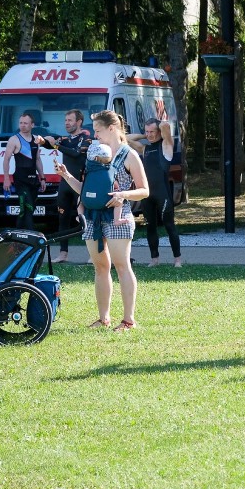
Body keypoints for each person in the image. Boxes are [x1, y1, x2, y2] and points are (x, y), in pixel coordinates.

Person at [55, 110, 149, 332]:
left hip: (119, 218)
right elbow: (86, 191)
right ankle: (103, 318)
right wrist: (67, 176)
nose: (95, 135)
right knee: (100, 268)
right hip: (93, 218)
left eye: (98, 131)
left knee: (122, 267)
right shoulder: (93, 154)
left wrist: (123, 195)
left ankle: (128, 320)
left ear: (111, 128)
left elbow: (144, 190)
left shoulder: (129, 155)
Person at [128, 119, 182, 267]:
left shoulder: (166, 145)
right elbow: (126, 138)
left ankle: (177, 260)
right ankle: (154, 259)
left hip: (162, 193)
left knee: (169, 225)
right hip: (147, 194)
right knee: (150, 226)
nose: (149, 134)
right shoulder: (145, 149)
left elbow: (165, 126)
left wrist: (159, 128)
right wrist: (144, 136)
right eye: (147, 131)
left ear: (158, 132)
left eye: (152, 132)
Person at [43, 109, 91, 262]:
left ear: (79, 122)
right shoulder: (64, 139)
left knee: (85, 219)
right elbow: (49, 144)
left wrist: (55, 146)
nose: (67, 123)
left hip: (79, 184)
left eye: (70, 120)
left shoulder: (86, 138)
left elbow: (76, 153)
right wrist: (43, 141)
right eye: (65, 121)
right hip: (65, 184)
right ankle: (63, 254)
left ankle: (93, 254)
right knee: (62, 219)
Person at [2, 112, 46, 230]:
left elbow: (37, 160)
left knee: (26, 212)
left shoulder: (36, 140)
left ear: (32, 125)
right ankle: (32, 239)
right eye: (21, 123)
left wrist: (42, 178)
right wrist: (6, 178)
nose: (22, 125)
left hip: (33, 181)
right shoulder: (14, 139)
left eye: (25, 123)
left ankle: (18, 239)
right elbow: (6, 159)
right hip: (21, 181)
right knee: (28, 208)